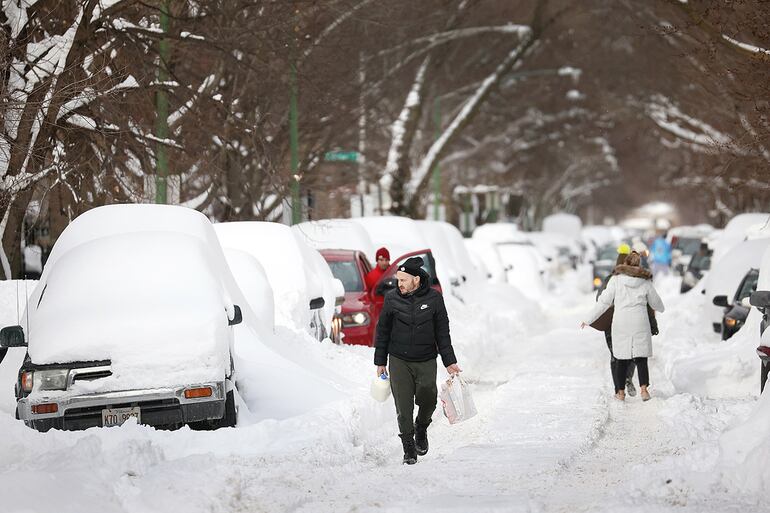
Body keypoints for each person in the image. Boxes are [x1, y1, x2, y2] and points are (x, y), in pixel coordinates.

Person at [374, 256, 461, 464]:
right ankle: (408, 449)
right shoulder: (392, 299)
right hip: (398, 360)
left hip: (425, 359)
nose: (399, 284)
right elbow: (383, 330)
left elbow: (442, 333)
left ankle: (421, 428)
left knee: (428, 399)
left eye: (403, 280)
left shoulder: (434, 298)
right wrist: (380, 361)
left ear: (416, 279)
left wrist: (449, 361)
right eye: (398, 280)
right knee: (403, 408)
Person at [581, 251, 665, 402]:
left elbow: (604, 302)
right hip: (640, 323)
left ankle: (620, 393)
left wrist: (588, 319)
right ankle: (644, 390)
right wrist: (661, 308)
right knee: (640, 358)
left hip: (621, 323)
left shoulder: (616, 280)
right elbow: (656, 303)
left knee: (621, 358)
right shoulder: (645, 282)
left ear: (625, 264)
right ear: (638, 265)